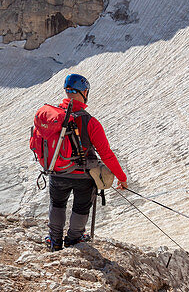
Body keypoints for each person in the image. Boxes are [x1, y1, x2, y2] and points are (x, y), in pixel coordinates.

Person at [39, 74, 128, 251]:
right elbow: (106, 153)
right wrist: (121, 177)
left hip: (57, 172)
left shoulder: (53, 117)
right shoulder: (90, 122)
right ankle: (74, 238)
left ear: (66, 91)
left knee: (57, 204)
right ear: (85, 92)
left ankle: (55, 240)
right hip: (83, 176)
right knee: (81, 206)